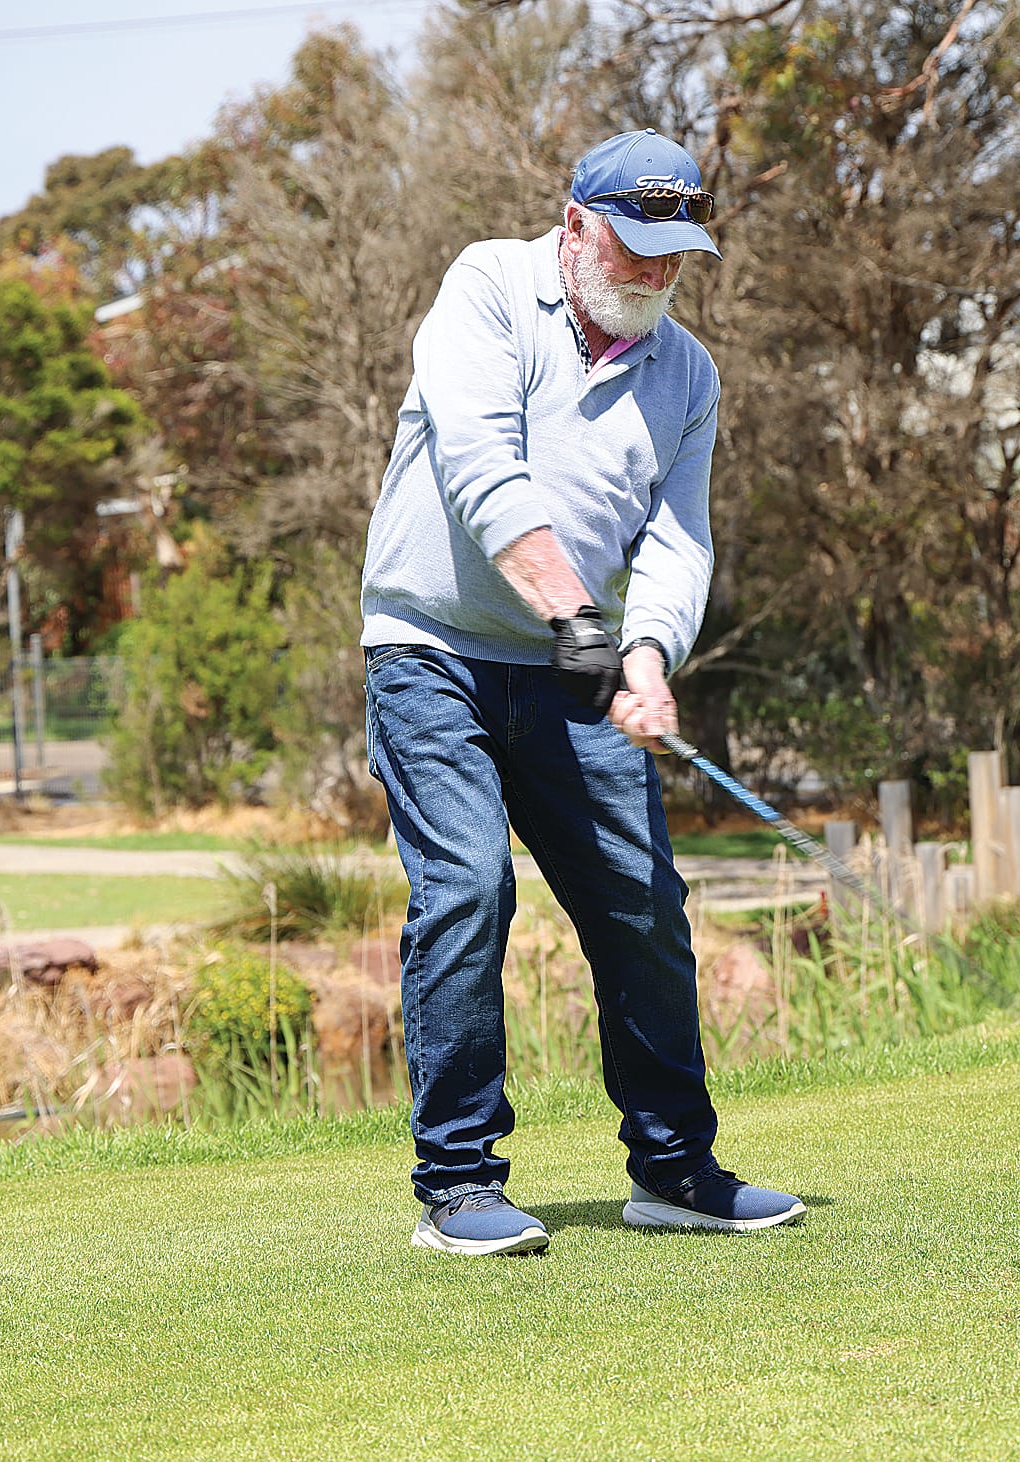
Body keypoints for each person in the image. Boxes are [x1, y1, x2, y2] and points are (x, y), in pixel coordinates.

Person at [361, 128, 805, 1256]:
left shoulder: (688, 374)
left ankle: (675, 1170)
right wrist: (581, 621)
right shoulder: (488, 290)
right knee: (467, 887)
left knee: (643, 900)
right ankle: (459, 1185)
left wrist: (645, 653)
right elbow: (478, 470)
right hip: (432, 647)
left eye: (675, 255)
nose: (654, 274)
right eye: (633, 246)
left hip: (571, 661)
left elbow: (676, 541)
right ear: (574, 227)